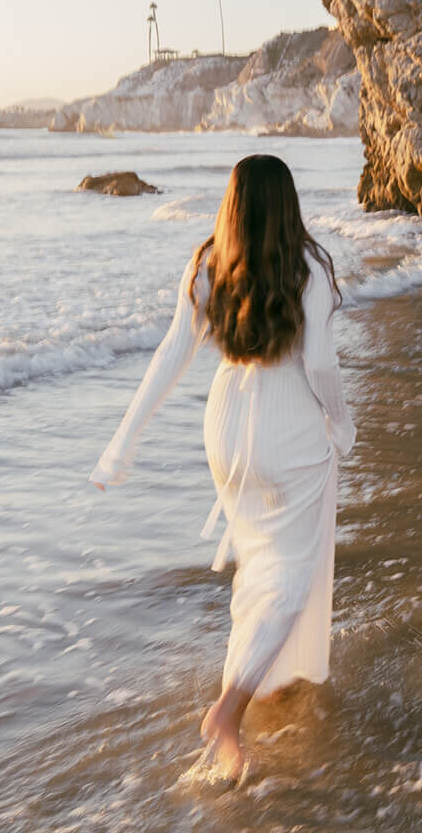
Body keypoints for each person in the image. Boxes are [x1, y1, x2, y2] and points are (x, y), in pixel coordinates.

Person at [90, 153, 355, 778]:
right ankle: (231, 708)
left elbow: (170, 355)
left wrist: (120, 445)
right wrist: (341, 425)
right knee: (291, 573)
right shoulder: (309, 266)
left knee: (258, 561)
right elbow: (319, 365)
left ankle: (263, 680)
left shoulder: (209, 262)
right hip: (290, 422)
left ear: (232, 204)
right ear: (287, 204)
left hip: (226, 422)